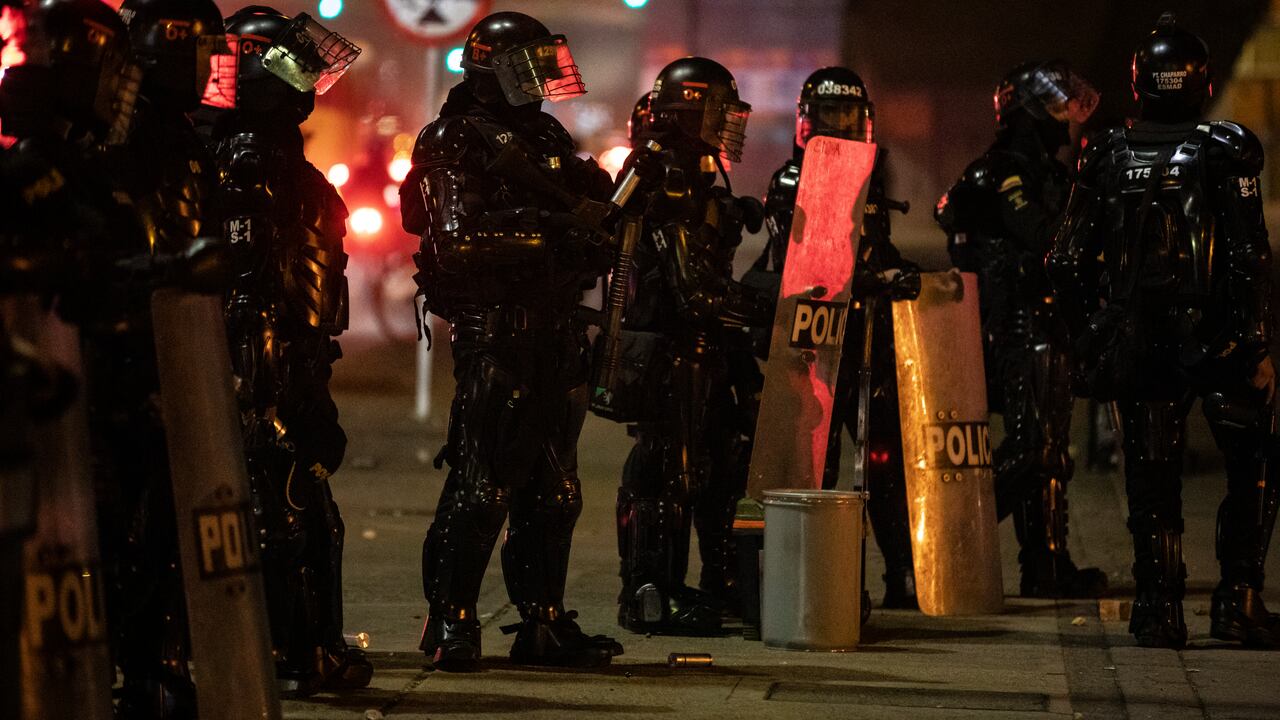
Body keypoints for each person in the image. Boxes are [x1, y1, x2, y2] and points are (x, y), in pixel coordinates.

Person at [400, 11, 624, 670]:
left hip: (556, 331)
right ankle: (451, 621)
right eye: (526, 65)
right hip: (495, 333)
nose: (540, 79)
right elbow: (457, 242)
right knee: (482, 484)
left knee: (556, 492)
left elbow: (590, 219)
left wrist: (594, 219)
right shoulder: (453, 140)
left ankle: (544, 623)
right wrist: (551, 228)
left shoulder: (546, 136)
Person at [1050, 13, 1278, 648]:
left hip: (1136, 338)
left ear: (1139, 81)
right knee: (1253, 461)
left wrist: (1091, 335)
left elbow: (1066, 261)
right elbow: (1248, 255)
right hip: (1217, 338)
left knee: (1152, 475)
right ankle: (1238, 600)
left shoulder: (1105, 155)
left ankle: (1158, 608)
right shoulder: (1225, 147)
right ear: (1201, 81)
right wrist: (1255, 343)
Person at [207, 5, 370, 694]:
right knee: (287, 509)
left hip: (295, 352)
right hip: (260, 354)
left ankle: (304, 649)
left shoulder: (273, 149)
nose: (307, 77)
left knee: (305, 507)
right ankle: (297, 653)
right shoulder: (243, 151)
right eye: (291, 62)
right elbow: (244, 276)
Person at [87, 0, 230, 712]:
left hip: (174, 351)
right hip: (125, 354)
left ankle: (156, 662)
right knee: (126, 523)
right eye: (201, 52)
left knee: (165, 520)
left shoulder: (176, 131)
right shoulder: (127, 137)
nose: (210, 69)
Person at [936, 59, 1107, 599]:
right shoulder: (999, 173)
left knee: (1053, 449)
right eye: (1055, 108)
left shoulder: (1049, 173)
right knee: (1036, 451)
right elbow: (1044, 238)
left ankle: (1048, 564)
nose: (1064, 119)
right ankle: (952, 538)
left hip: (1048, 323)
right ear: (1028, 113)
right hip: (1012, 326)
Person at [614, 56, 772, 635]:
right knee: (668, 474)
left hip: (704, 350)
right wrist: (766, 311)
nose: (730, 120)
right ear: (690, 109)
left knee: (717, 461)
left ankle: (715, 582)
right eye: (718, 109)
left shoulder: (697, 171)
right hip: (671, 349)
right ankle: (653, 593)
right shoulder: (664, 174)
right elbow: (694, 291)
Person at [755, 66, 921, 609]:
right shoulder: (790, 181)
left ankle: (903, 574)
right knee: (816, 462)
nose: (840, 125)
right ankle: (822, 579)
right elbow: (809, 264)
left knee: (884, 460)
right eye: (829, 115)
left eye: (848, 115)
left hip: (867, 340)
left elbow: (876, 249)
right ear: (807, 122)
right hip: (813, 345)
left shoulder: (874, 176)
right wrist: (868, 278)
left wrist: (901, 274)